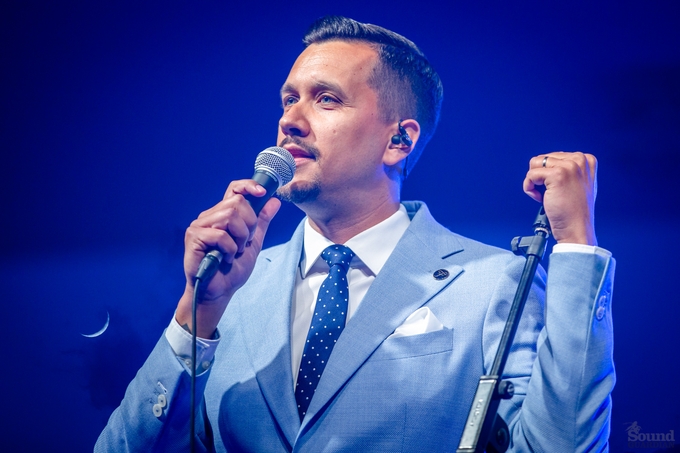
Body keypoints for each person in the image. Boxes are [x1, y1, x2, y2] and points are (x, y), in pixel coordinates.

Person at [96, 15, 615, 452]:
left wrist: (576, 246)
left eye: (325, 99)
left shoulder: (493, 282)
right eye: (288, 100)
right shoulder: (233, 287)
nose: (290, 121)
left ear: (398, 141)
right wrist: (199, 312)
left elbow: (559, 445)